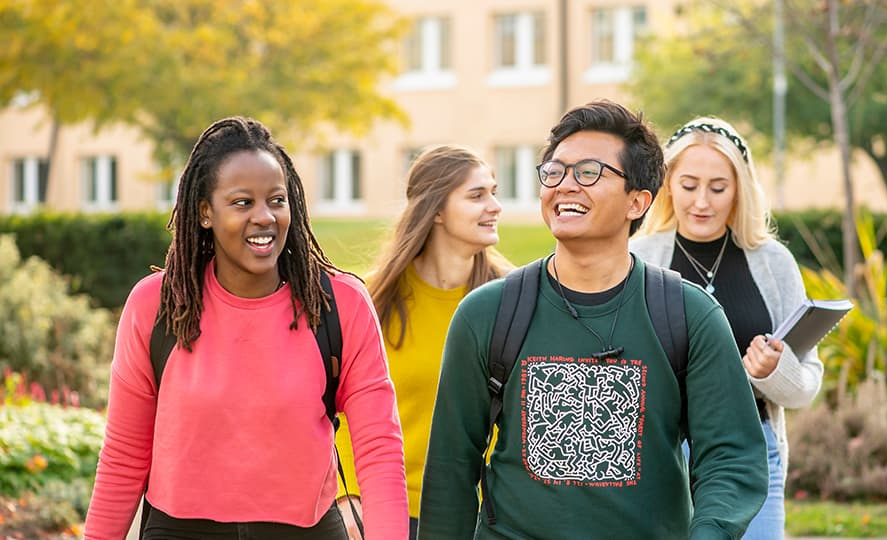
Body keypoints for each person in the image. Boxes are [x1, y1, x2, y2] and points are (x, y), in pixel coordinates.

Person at [418, 100, 767, 539]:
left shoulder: (689, 315)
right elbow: (451, 467)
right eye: (554, 171)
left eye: (588, 173)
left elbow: (731, 457)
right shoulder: (487, 314)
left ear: (637, 201)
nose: (565, 186)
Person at [84, 117, 408, 539]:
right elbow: (125, 456)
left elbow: (379, 450)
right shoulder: (157, 306)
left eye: (276, 200)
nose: (265, 217)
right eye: (242, 203)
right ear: (205, 212)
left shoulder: (339, 304)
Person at [630, 117, 824, 539]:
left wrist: (772, 370)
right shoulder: (638, 258)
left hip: (750, 447)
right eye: (688, 185)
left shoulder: (772, 264)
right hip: (659, 452)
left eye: (718, 187)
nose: (702, 201)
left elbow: (807, 384)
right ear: (667, 186)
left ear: (739, 189)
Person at [334, 144, 512, 540]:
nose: (495, 206)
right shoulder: (371, 298)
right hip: (387, 513)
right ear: (435, 210)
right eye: (477, 195)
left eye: (494, 192)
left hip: (485, 516)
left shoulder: (512, 299)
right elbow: (340, 410)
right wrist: (348, 496)